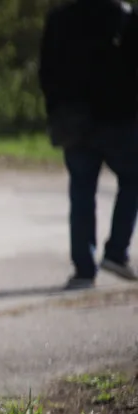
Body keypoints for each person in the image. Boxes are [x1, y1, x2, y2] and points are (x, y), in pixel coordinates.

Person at [39, 0, 138, 288]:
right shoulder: (123, 17)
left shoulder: (60, 18)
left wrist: (56, 107)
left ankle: (84, 269)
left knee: (82, 190)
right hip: (118, 118)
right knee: (133, 179)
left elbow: (46, 70)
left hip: (73, 118)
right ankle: (116, 251)